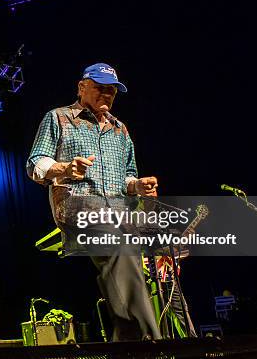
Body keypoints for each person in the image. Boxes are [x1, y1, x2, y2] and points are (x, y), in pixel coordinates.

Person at [26, 63, 162, 341]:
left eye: (112, 91)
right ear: (82, 87)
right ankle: (151, 340)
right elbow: (35, 164)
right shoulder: (59, 118)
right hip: (79, 207)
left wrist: (137, 186)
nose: (107, 95)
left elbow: (127, 177)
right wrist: (64, 168)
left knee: (132, 260)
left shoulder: (120, 130)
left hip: (119, 214)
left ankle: (128, 340)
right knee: (120, 248)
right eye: (100, 88)